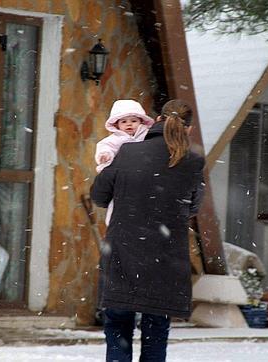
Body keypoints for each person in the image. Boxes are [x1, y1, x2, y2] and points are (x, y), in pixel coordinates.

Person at [91, 99, 205, 362]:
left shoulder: (128, 153)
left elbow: (99, 195)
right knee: (156, 330)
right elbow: (193, 206)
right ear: (188, 129)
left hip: (122, 254)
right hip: (166, 259)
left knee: (118, 327)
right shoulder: (193, 162)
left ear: (156, 120)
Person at [95, 99, 155, 225]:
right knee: (118, 200)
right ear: (117, 125)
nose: (129, 124)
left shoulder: (147, 135)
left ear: (141, 122)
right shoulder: (116, 139)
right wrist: (105, 155)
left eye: (133, 121)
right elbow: (106, 147)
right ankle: (114, 222)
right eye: (124, 121)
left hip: (145, 175)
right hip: (123, 177)